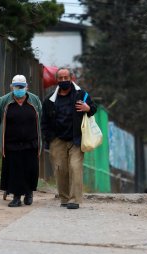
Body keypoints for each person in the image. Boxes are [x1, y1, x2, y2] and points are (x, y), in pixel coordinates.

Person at [41, 67, 97, 209]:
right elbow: (44, 122)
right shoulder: (49, 100)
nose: (64, 80)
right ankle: (64, 198)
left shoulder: (81, 95)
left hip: (76, 139)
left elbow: (93, 108)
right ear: (57, 80)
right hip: (57, 139)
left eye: (66, 77)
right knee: (60, 170)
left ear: (71, 78)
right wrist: (49, 138)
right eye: (61, 78)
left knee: (75, 167)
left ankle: (75, 200)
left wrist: (87, 108)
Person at [0, 74, 42, 207]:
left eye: (21, 86)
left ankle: (29, 193)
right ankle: (16, 197)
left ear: (27, 87)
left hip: (31, 142)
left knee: (30, 168)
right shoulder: (4, 101)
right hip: (12, 143)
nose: (19, 89)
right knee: (15, 169)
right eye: (16, 87)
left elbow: (40, 117)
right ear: (11, 87)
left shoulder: (34, 100)